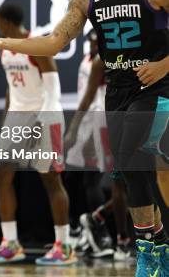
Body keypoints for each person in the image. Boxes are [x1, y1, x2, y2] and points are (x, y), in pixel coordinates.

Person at [0, 0, 169, 276]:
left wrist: (165, 63)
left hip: (154, 90)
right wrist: (2, 43)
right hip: (116, 92)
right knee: (130, 173)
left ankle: (149, 248)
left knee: (133, 156)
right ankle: (156, 243)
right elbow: (54, 43)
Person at [0, 3, 74, 266]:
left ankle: (64, 245)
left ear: (6, 22)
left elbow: (53, 88)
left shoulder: (37, 45)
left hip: (46, 114)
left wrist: (41, 120)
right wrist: (4, 122)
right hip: (18, 116)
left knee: (50, 179)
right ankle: (10, 243)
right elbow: (12, 90)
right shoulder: (4, 51)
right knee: (1, 175)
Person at [64, 30, 130, 260]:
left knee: (140, 184)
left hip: (129, 117)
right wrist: (76, 130)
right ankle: (115, 238)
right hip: (103, 121)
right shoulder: (98, 61)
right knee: (114, 181)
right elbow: (89, 97)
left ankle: (96, 219)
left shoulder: (133, 55)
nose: (94, 44)